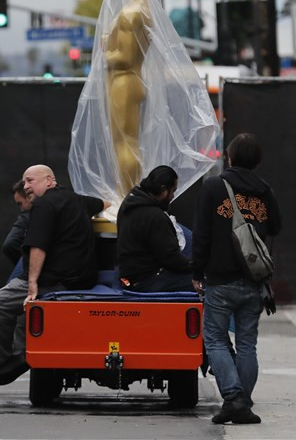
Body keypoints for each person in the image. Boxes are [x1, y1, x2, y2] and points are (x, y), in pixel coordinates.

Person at [0, 165, 107, 390]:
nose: (26, 186)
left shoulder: (43, 205)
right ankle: (23, 353)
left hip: (55, 281)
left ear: (49, 181)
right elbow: (105, 204)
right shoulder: (77, 200)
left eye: (30, 180)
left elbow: (38, 246)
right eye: (24, 181)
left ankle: (0, 365)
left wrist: (32, 285)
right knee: (20, 313)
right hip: (82, 279)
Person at [192, 133, 283, 425]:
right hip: (254, 279)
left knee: (215, 339)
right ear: (256, 160)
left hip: (220, 277)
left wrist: (197, 272)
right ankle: (242, 401)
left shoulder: (214, 187)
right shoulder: (265, 190)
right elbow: (276, 227)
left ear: (229, 157)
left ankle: (233, 398)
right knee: (247, 343)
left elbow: (203, 233)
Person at [104, 0, 152, 197]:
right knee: (129, 143)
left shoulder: (129, 14)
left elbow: (123, 57)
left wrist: (105, 50)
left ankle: (127, 194)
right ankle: (128, 190)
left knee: (124, 144)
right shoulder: (143, 10)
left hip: (124, 80)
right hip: (133, 80)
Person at [117, 165, 193, 292]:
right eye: (173, 191)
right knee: (206, 281)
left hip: (128, 276)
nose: (173, 196)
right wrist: (196, 266)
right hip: (146, 280)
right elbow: (171, 259)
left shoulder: (128, 204)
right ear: (163, 190)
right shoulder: (156, 217)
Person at [3, 179, 32, 281]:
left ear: (29, 197)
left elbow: (10, 244)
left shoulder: (27, 216)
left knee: (1, 297)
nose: (21, 208)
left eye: (20, 203)